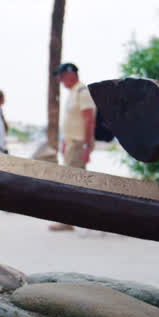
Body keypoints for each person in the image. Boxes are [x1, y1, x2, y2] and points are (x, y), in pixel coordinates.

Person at [50, 62, 95, 231]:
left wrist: (87, 146)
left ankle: (68, 220)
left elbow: (89, 119)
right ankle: (76, 217)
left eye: (62, 76)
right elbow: (71, 121)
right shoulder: (73, 92)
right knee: (75, 181)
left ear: (71, 74)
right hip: (71, 143)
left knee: (71, 182)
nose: (60, 80)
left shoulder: (82, 91)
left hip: (78, 144)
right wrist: (64, 141)